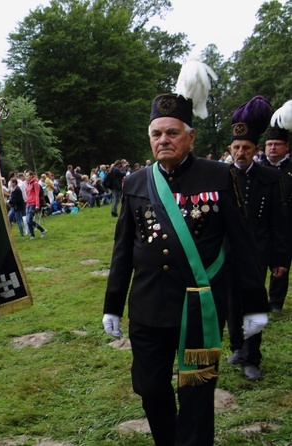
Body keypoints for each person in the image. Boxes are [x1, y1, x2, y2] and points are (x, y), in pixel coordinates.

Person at [102, 60, 269, 446]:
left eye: (172, 133)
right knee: (150, 388)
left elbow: (243, 245)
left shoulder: (218, 175)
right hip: (147, 308)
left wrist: (253, 305)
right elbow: (122, 250)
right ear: (149, 138)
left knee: (196, 392)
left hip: (199, 309)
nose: (164, 140)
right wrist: (113, 304)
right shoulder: (135, 182)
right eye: (157, 133)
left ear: (190, 137)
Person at [225, 96, 289, 382]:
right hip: (227, 253)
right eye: (236, 147)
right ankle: (237, 347)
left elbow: (279, 222)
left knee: (255, 303)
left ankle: (253, 357)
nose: (241, 152)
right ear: (231, 149)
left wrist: (280, 259)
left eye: (246, 148)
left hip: (259, 253)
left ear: (255, 150)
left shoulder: (269, 177)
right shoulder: (222, 176)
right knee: (232, 303)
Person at [260, 100, 292, 312]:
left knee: (282, 262)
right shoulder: (258, 168)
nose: (272, 148)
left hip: (287, 222)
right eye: (269, 144)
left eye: (277, 145)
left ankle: (275, 302)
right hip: (263, 224)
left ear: (286, 147)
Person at [24, 171, 48, 239]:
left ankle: (43, 230)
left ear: (32, 176)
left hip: (34, 204)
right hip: (29, 204)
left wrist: (37, 205)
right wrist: (27, 204)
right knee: (28, 220)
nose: (26, 177)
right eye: (26, 176)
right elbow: (28, 194)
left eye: (27, 176)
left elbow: (37, 194)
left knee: (29, 220)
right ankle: (32, 235)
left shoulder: (35, 183)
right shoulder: (28, 184)